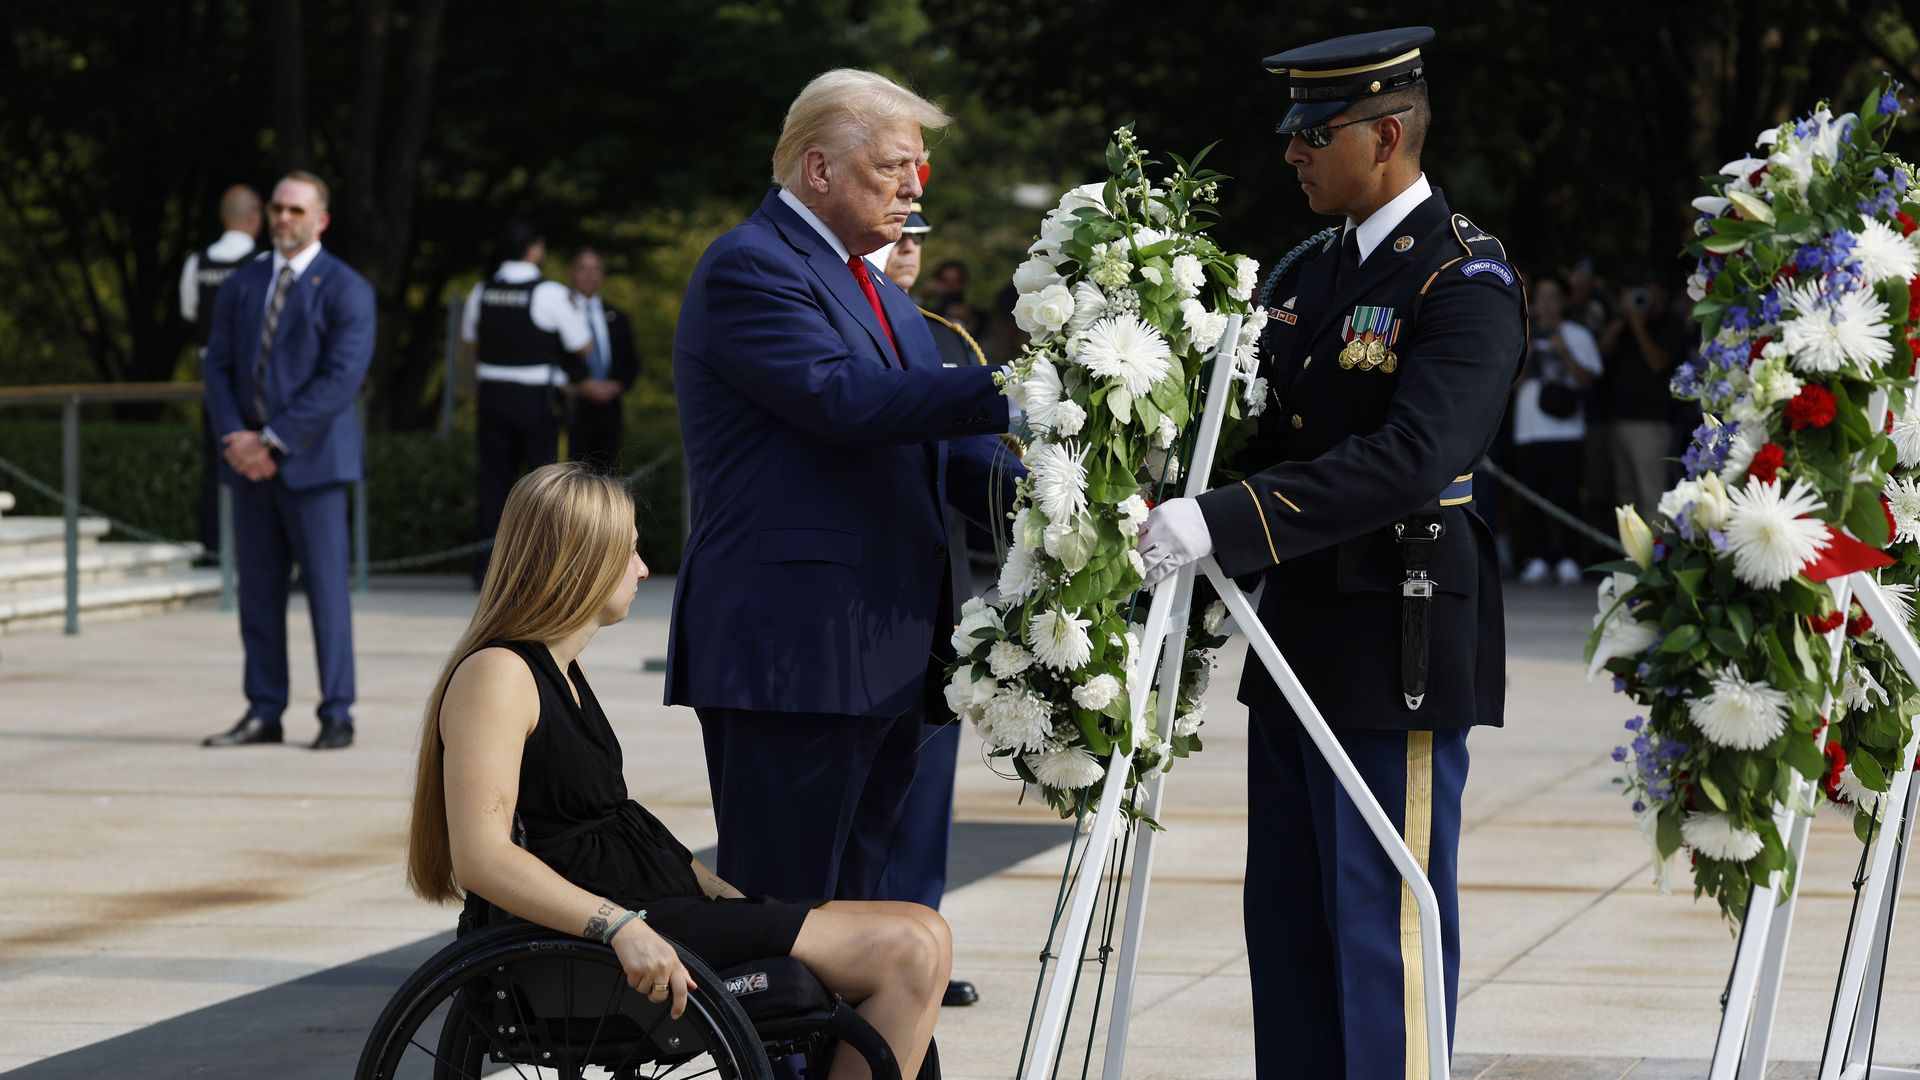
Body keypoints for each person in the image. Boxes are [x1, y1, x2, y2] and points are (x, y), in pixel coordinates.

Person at [1135, 28, 1525, 1079]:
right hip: (1298, 632)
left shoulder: (1461, 278)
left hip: (1389, 639)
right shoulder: (1314, 267)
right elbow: (1270, 426)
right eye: (1291, 129)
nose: (1292, 150)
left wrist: (1224, 517)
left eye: (1313, 130)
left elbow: (1413, 455)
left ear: (1386, 132)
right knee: (1293, 926)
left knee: (1376, 928)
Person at [406, 463, 950, 1078]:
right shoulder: (499, 675)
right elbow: (481, 856)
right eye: (631, 551)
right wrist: (617, 926)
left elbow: (615, 821)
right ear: (582, 561)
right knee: (906, 952)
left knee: (926, 929)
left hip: (658, 904)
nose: (643, 569)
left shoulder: (558, 671)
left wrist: (721, 893)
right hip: (612, 928)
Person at [668, 69, 1019, 916]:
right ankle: (791, 1059)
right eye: (894, 166)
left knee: (864, 921)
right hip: (795, 656)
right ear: (819, 169)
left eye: (919, 168)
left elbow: (952, 456)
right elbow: (841, 400)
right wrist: (1023, 383)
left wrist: (1080, 503)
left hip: (883, 654)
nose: (914, 187)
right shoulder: (749, 266)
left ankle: (853, 1057)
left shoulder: (880, 295)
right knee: (787, 920)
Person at [200, 171, 375, 751]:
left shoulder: (346, 287)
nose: (284, 218)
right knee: (257, 594)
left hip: (314, 467)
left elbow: (339, 381)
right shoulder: (243, 284)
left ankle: (337, 712)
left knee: (327, 594)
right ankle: (264, 710)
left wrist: (269, 440)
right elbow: (218, 366)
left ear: (320, 219)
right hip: (247, 466)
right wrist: (235, 437)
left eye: (297, 210)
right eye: (277, 208)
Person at [873, 202, 990, 1009]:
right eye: (900, 232)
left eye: (920, 235)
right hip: (863, 596)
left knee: (924, 793)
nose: (911, 247)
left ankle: (919, 947)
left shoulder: (948, 341)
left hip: (934, 591)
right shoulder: (851, 326)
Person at [461, 220, 592, 585]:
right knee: (544, 485)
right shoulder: (548, 292)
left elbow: (470, 339)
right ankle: (542, 570)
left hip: (491, 398)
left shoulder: (482, 290)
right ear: (534, 249)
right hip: (534, 402)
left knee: (492, 484)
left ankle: (485, 569)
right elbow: (583, 345)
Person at [181, 184, 263, 557]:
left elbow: (190, 312)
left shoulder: (197, 262)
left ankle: (214, 544)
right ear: (254, 218)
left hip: (209, 370)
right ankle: (252, 547)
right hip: (252, 373)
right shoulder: (263, 263)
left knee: (215, 458)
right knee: (256, 458)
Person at [1511, 274, 1602, 586]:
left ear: (1564, 301)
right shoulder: (1521, 334)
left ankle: (1568, 559)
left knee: (1567, 497)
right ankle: (1536, 558)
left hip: (1567, 432)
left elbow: (1588, 380)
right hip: (1528, 430)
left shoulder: (1578, 335)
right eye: (1541, 296)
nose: (1546, 303)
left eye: (1552, 296)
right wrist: (1527, 357)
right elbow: (1511, 385)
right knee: (1532, 499)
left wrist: (1564, 351)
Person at [1594, 272, 1689, 520]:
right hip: (1618, 421)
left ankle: (1658, 557)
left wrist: (1637, 325)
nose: (1645, 296)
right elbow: (1599, 352)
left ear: (1663, 292)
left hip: (1652, 426)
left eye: (1652, 289)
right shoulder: (1623, 323)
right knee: (1626, 502)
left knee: (1653, 499)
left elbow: (1657, 363)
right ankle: (1632, 558)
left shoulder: (1671, 323)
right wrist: (1623, 318)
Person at [567, 247, 640, 472]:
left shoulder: (617, 316)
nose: (589, 275)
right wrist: (581, 383)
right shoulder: (560, 312)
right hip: (572, 408)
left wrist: (617, 385)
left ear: (602, 275)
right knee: (571, 477)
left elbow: (631, 361)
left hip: (610, 410)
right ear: (573, 272)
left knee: (606, 477)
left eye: (595, 269)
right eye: (584, 268)